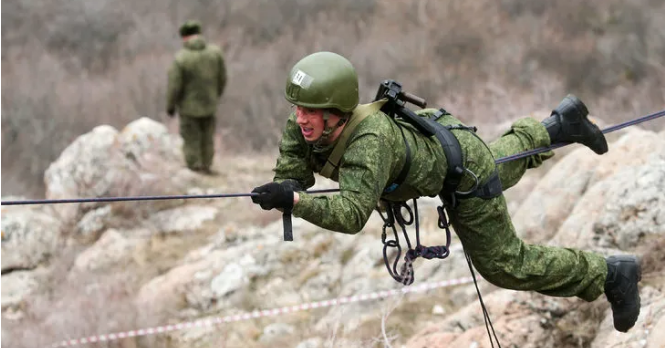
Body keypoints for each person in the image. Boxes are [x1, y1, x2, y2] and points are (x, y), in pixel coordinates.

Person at [251, 51, 641, 333]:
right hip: (448, 150)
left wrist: (296, 202)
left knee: (505, 265)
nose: (300, 117)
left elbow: (352, 214)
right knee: (496, 163)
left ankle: (610, 275)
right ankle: (562, 124)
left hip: (460, 173)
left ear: (335, 111)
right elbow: (292, 175)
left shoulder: (369, 142)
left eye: (309, 110)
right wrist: (286, 188)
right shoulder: (303, 124)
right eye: (297, 108)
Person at [166, 20, 227, 173]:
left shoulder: (181, 58)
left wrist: (171, 106)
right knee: (207, 136)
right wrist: (216, 95)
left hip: (188, 107)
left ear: (185, 37)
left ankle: (195, 167)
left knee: (191, 137)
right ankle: (207, 165)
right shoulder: (215, 53)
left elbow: (174, 86)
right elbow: (223, 78)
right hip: (210, 103)